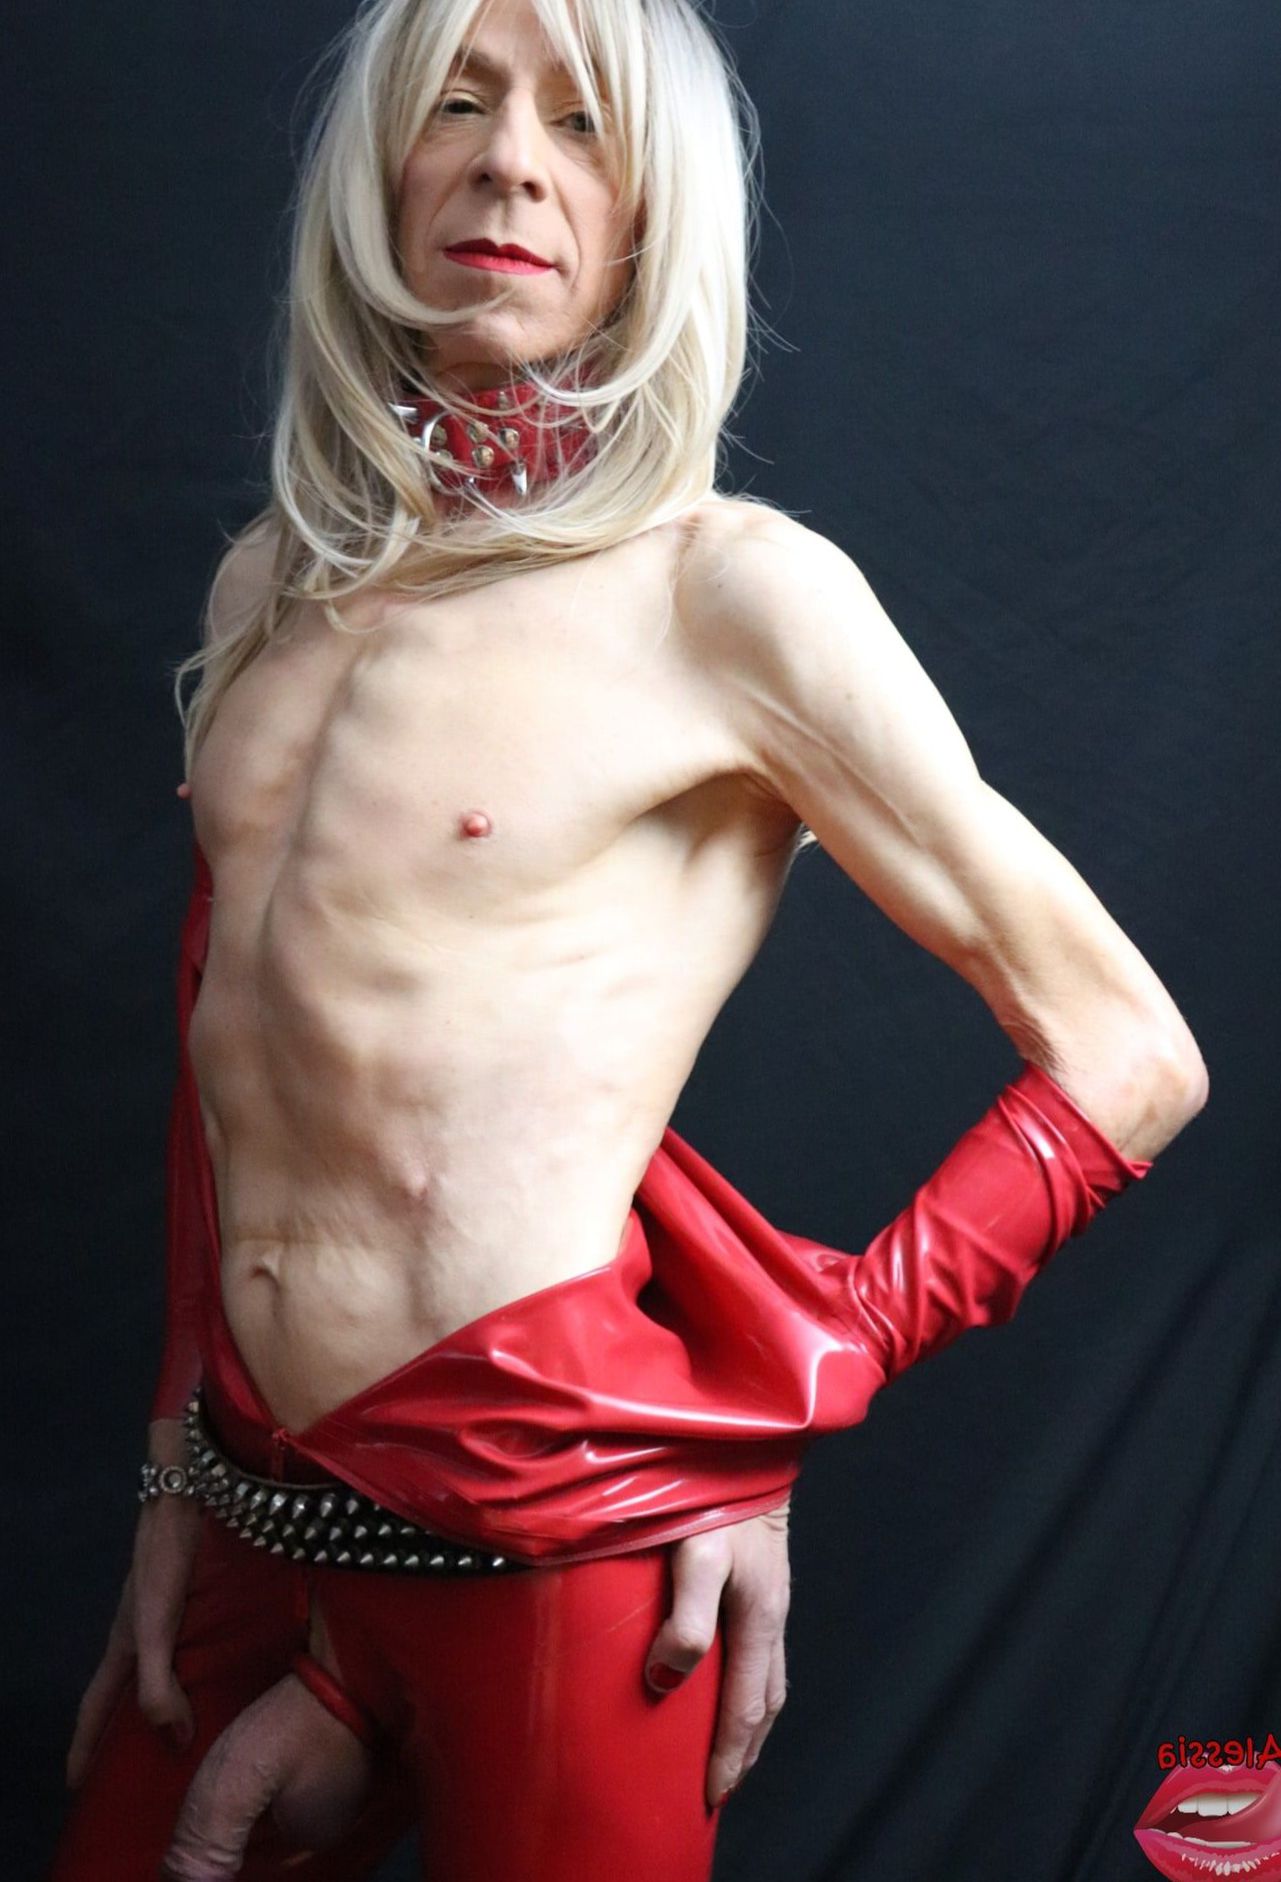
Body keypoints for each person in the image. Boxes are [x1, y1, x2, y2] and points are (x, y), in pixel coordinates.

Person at [50, 0, 1208, 1876]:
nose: (511, 161)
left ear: (652, 211)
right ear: (379, 171)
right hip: (263, 1520)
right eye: (459, 101)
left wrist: (775, 1393)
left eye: (582, 123)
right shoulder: (269, 587)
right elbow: (228, 1035)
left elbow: (1129, 1050)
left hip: (559, 1544)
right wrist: (174, 1461)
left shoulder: (725, 595)